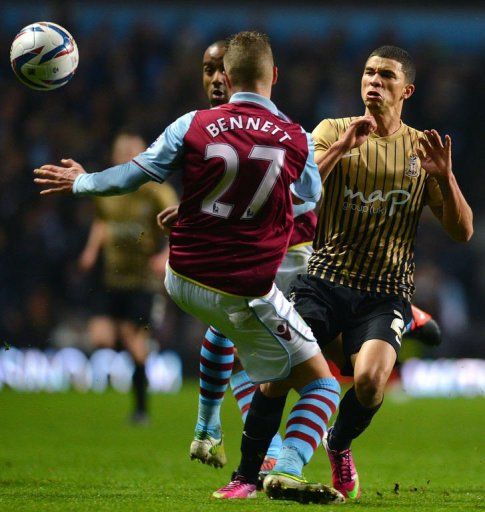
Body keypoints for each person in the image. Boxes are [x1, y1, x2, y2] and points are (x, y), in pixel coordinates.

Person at [34, 31, 344, 504]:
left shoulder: (192, 125)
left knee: (230, 336)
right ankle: (285, 466)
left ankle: (207, 427)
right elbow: (308, 199)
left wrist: (81, 181)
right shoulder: (297, 138)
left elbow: (132, 175)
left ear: (227, 76)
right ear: (274, 76)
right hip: (245, 287)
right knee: (321, 385)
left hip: (180, 278)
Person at [287, 45, 473, 500]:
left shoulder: (421, 149)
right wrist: (343, 149)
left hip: (384, 291)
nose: (374, 81)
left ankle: (338, 442)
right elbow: (297, 192)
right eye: (369, 73)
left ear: (406, 89)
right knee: (285, 369)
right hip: (325, 280)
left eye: (386, 75)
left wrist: (445, 178)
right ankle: (266, 464)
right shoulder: (332, 130)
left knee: (369, 384)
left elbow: (462, 231)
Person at [157, 40, 318, 481]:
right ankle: (267, 452)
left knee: (306, 363)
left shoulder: (280, 126)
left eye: (219, 71)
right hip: (254, 263)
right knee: (236, 337)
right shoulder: (208, 130)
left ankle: (234, 436)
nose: (213, 81)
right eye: (206, 70)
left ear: (236, 74)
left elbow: (306, 183)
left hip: (294, 254)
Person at [78, 131, 178, 423]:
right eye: (121, 151)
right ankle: (134, 351)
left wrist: (166, 255)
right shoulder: (108, 190)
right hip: (113, 277)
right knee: (100, 337)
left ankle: (141, 409)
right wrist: (90, 251)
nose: (126, 156)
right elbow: (101, 221)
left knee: (135, 341)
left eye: (132, 151)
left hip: (144, 280)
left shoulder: (155, 189)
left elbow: (181, 219)